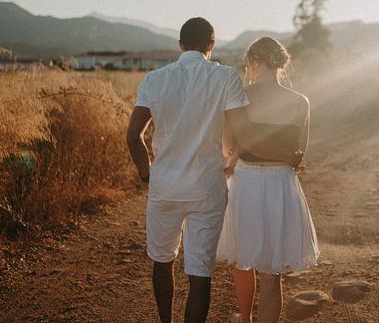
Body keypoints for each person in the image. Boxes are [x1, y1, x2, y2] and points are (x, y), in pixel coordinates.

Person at [126, 19, 301, 323]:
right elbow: (240, 132)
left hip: (164, 186)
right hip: (206, 189)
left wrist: (147, 174)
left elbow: (133, 136)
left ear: (180, 44)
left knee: (162, 261)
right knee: (199, 273)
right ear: (212, 44)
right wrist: (280, 154)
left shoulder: (153, 80)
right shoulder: (225, 78)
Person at [217, 37, 319, 323]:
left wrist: (235, 155)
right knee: (272, 274)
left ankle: (246, 317)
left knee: (242, 259)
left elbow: (228, 147)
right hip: (281, 185)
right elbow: (299, 151)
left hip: (248, 182)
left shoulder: (242, 96)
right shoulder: (301, 102)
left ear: (256, 62)